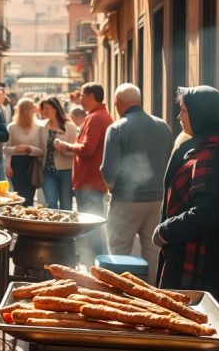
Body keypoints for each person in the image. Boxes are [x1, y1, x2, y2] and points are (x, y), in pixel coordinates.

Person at [151, 85, 219, 314]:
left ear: (201, 114)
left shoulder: (211, 155)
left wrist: (166, 231)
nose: (178, 117)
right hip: (201, 253)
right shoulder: (209, 147)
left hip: (202, 263)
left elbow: (206, 211)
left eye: (183, 110)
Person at [100, 84, 173, 285]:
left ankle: (120, 295)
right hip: (157, 200)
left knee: (119, 251)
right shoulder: (162, 126)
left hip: (126, 199)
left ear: (118, 103)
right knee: (153, 251)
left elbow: (109, 170)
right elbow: (170, 160)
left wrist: (112, 187)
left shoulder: (117, 128)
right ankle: (150, 295)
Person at [54, 82, 113, 256]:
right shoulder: (99, 115)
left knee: (91, 226)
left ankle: (94, 262)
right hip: (92, 180)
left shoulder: (96, 117)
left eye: (82, 95)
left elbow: (88, 149)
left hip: (90, 181)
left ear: (90, 96)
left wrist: (67, 146)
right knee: (93, 224)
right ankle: (95, 261)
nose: (79, 99)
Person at [3, 98, 45, 205]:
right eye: (31, 109)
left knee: (30, 194)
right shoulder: (12, 127)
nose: (34, 111)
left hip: (32, 164)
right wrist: (8, 165)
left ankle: (28, 216)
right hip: (16, 163)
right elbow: (5, 148)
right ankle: (19, 216)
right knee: (19, 194)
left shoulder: (39, 127)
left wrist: (29, 149)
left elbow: (42, 151)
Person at [39, 96, 78, 210]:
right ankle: (52, 227)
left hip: (66, 171)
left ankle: (67, 227)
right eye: (43, 108)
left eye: (47, 108)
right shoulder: (42, 127)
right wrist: (30, 149)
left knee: (66, 205)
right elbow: (40, 149)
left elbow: (75, 151)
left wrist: (63, 149)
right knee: (51, 204)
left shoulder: (70, 127)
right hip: (47, 171)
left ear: (55, 108)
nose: (44, 111)